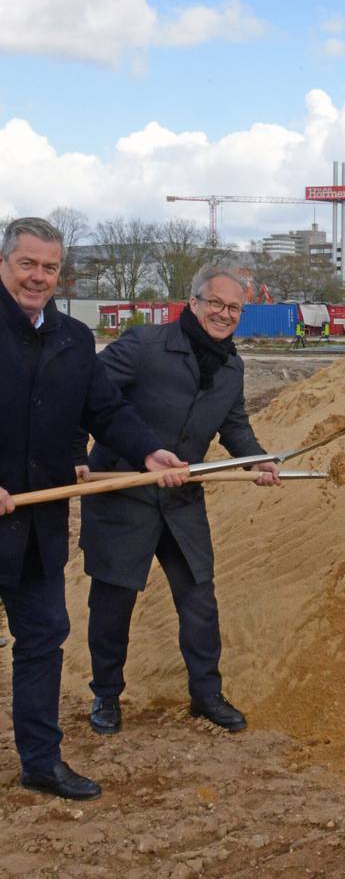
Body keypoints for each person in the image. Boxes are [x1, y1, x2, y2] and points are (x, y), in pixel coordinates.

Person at [0, 217, 187, 801]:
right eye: (27, 263)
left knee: (43, 638)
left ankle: (41, 761)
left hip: (36, 527)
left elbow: (104, 411)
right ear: (4, 262)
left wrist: (148, 450)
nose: (38, 276)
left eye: (49, 267)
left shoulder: (74, 338)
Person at [76, 264, 281, 738]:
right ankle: (106, 695)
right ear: (193, 302)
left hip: (182, 500)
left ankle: (206, 695)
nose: (225, 314)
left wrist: (258, 460)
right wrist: (77, 451)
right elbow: (90, 397)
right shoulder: (145, 345)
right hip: (123, 493)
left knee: (198, 598)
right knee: (114, 602)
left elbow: (234, 424)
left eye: (234, 308)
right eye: (216, 303)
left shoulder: (231, 366)